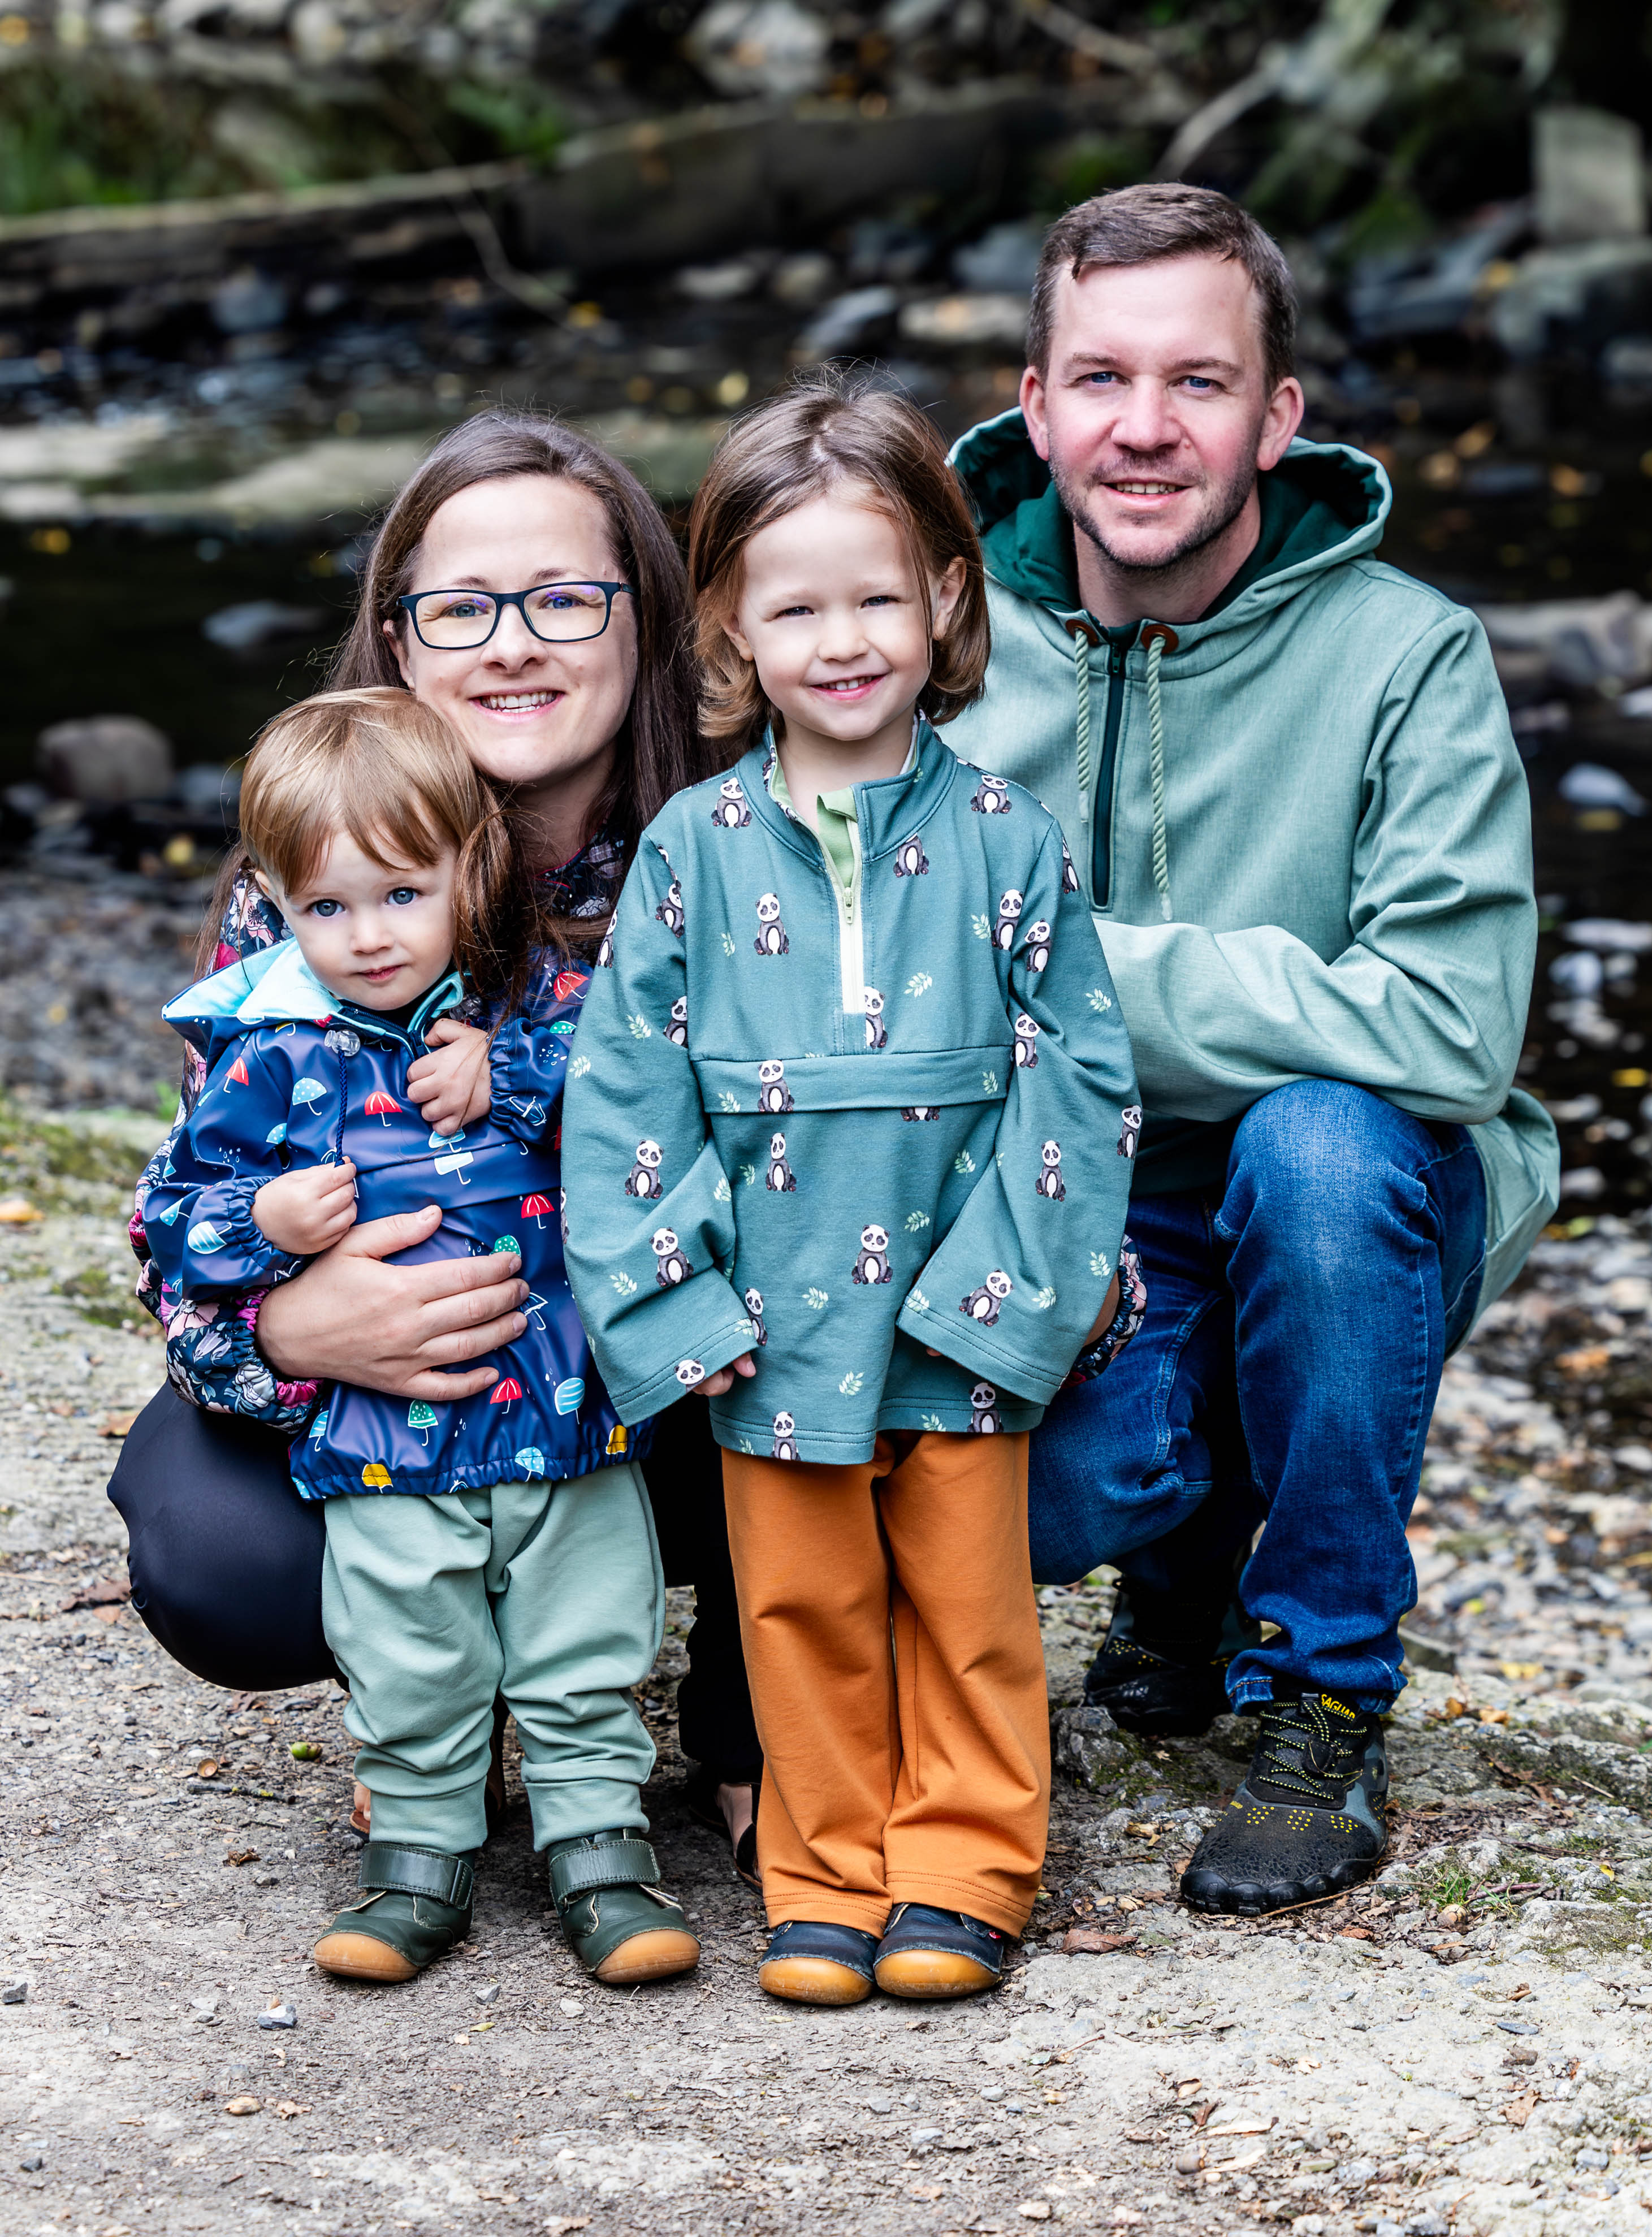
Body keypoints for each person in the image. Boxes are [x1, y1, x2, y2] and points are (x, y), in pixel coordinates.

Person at [941, 183, 1559, 1915]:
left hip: (1353, 1193)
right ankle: (1189, 1556)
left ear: (1279, 414)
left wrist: (1054, 971)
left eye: (1201, 383)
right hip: (1070, 1207)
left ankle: (1326, 1691)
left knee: (1320, 1139)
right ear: (1038, 400)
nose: (1147, 430)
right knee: (1060, 1499)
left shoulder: (1408, 655)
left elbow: (1446, 1026)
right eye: (1105, 379)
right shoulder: (929, 645)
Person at [108, 412, 762, 1881]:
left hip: (684, 1379)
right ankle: (434, 1708)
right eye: (461, 606)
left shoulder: (739, 844)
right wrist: (287, 1321)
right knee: (220, 1549)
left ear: (644, 615)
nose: (511, 643)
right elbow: (182, 1222)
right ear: (401, 640)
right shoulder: (312, 888)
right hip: (426, 1404)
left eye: (563, 598)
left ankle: (751, 1706)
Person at [561, 373, 1144, 2007]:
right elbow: (629, 1089)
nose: (844, 639)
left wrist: (1008, 1291)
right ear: (733, 626)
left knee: (968, 1606)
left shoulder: (1009, 840)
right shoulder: (693, 846)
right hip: (768, 1311)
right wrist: (674, 1295)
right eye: (794, 603)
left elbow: (1082, 1073)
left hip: (956, 1314)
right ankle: (823, 1873)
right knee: (798, 1607)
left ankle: (964, 1865)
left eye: (880, 594)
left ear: (947, 598)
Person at [145, 687, 698, 1987]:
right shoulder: (267, 1050)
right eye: (325, 909)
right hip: (381, 1430)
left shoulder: (544, 1004)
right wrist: (266, 1219)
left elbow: (651, 1099)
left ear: (471, 865)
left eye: (400, 894)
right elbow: (172, 1216)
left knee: (582, 1637)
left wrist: (503, 1076)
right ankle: (416, 1860)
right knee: (409, 1647)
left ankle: (601, 1851)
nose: (369, 935)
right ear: (277, 906)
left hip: (563, 1418)